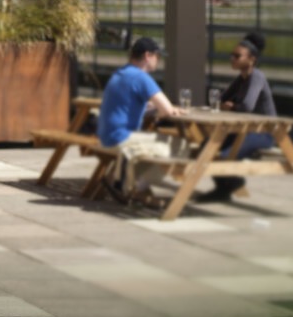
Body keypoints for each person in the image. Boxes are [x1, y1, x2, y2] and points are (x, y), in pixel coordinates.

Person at [96, 37, 182, 206]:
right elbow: (167, 110)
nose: (159, 61)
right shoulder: (141, 77)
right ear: (148, 55)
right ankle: (135, 188)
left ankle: (119, 179)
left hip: (106, 135)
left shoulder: (122, 73)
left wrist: (155, 108)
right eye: (158, 56)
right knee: (179, 147)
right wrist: (173, 110)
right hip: (121, 137)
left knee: (158, 144)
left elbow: (133, 105)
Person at [197, 32, 279, 203]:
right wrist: (226, 104)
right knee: (206, 147)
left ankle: (233, 182)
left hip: (263, 132)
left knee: (225, 156)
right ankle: (223, 189)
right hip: (243, 129)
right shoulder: (241, 79)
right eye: (231, 55)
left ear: (251, 59)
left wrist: (232, 106)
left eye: (237, 56)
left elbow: (247, 106)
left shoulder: (256, 76)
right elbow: (221, 100)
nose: (232, 59)